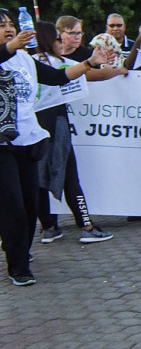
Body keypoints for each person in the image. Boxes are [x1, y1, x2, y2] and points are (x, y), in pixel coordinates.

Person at [0, 11, 112, 285]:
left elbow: (57, 77)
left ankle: (20, 251)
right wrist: (7, 48)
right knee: (11, 205)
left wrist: (89, 62)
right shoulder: (8, 53)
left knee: (29, 204)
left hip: (29, 139)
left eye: (10, 24)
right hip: (2, 146)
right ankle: (18, 267)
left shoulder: (25, 59)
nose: (8, 28)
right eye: (1, 25)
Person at [33, 22, 114, 244]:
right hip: (55, 126)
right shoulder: (55, 65)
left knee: (38, 178)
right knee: (70, 177)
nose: (61, 43)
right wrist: (115, 70)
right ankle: (85, 225)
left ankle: (49, 227)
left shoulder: (27, 62)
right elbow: (91, 75)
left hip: (34, 128)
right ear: (49, 41)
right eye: (58, 38)